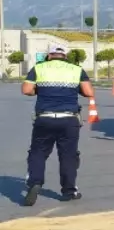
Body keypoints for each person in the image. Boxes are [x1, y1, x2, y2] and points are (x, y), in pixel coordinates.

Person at [21, 44, 95, 206]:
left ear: (49, 56)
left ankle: (35, 182)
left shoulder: (39, 68)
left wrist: (38, 91)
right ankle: (69, 191)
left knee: (38, 152)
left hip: (44, 118)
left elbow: (26, 90)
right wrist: (76, 90)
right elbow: (89, 92)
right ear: (65, 57)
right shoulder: (76, 69)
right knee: (68, 155)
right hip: (68, 119)